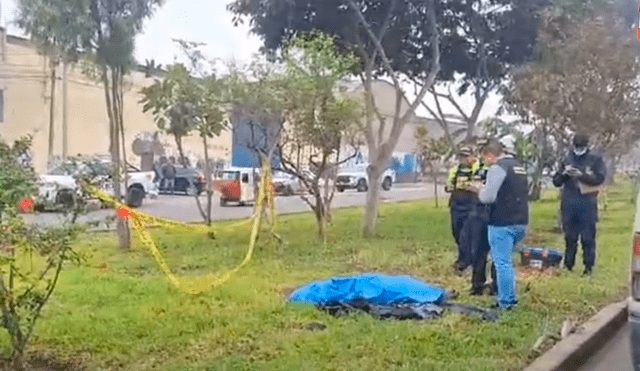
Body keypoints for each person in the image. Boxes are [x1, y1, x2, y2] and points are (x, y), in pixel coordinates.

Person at [478, 139, 529, 310]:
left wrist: (478, 190)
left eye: (485, 158)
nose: (485, 162)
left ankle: (506, 302)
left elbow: (488, 197)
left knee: (502, 263)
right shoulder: (519, 167)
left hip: (501, 222)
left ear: (490, 155)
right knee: (507, 262)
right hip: (521, 221)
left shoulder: (497, 168)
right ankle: (506, 295)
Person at [552, 133, 606, 276]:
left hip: (587, 203)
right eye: (576, 147)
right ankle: (568, 265)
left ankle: (588, 267)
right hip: (569, 203)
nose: (578, 150)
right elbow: (556, 181)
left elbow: (600, 178)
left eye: (580, 147)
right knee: (570, 237)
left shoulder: (595, 159)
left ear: (586, 146)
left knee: (588, 238)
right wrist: (564, 174)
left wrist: (581, 175)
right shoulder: (567, 158)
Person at [462, 139, 498, 296]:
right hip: (478, 213)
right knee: (478, 251)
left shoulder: (500, 169)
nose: (483, 157)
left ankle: (496, 285)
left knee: (497, 253)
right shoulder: (479, 168)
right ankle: (477, 285)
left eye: (485, 154)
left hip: (495, 214)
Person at [445, 146, 477, 273]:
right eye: (461, 156)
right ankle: (463, 259)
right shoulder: (454, 170)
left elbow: (478, 183)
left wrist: (470, 186)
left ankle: (464, 263)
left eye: (466, 156)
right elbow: (448, 185)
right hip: (456, 205)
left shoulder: (476, 169)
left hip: (471, 206)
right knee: (457, 233)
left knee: (466, 236)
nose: (463, 159)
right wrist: (450, 187)